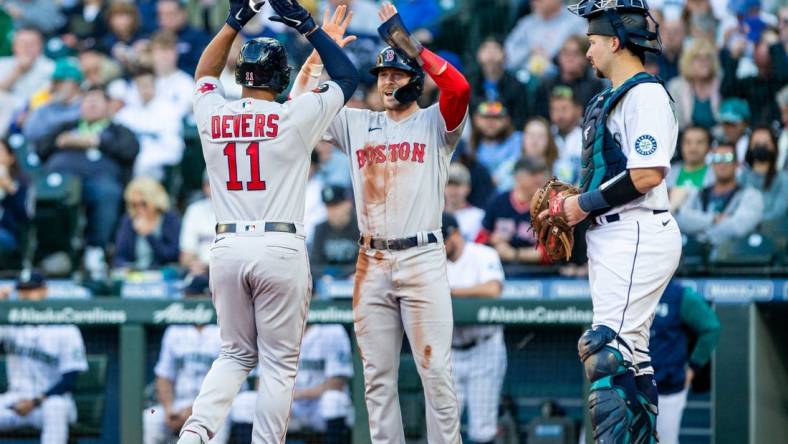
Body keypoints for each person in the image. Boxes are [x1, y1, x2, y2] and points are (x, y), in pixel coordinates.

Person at [176, 0, 359, 441]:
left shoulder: (213, 113)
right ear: (278, 79)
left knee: (235, 354)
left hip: (225, 248)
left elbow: (204, 74)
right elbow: (349, 77)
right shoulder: (290, 117)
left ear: (240, 77)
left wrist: (234, 21)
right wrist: (309, 28)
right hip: (279, 246)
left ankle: (195, 434)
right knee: (278, 363)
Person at [289, 2, 470, 442]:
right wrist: (319, 51)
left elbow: (460, 89)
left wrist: (412, 47)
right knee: (376, 379)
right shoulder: (357, 123)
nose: (386, 81)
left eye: (396, 73)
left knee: (436, 374)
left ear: (414, 80)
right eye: (382, 75)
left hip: (422, 257)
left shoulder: (435, 124)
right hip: (371, 259)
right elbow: (297, 107)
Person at [555, 1, 683, 441]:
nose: (587, 53)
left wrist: (582, 204)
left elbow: (647, 175)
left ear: (614, 41)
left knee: (605, 348)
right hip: (618, 234)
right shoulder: (614, 96)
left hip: (637, 228)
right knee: (631, 356)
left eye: (592, 42)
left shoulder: (644, 94)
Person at [36, 86, 139, 279]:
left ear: (108, 106)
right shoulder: (66, 127)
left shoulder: (117, 130)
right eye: (87, 100)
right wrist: (62, 141)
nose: (91, 104)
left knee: (107, 193)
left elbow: (130, 150)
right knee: (49, 195)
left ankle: (95, 250)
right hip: (63, 181)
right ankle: (56, 251)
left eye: (97, 100)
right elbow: (41, 148)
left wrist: (97, 141)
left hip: (99, 181)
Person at [0, 270, 88, 444]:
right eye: (22, 290)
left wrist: (34, 402)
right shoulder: (8, 323)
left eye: (31, 290)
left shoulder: (65, 328)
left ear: (44, 291)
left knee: (55, 408)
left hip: (50, 401)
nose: (25, 296)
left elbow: (69, 380)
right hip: (15, 400)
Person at [229, 324, 354, 443]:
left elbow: (336, 383)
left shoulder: (333, 331)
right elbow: (261, 383)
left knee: (334, 400)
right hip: (288, 406)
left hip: (318, 407)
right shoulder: (273, 329)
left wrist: (293, 396)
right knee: (244, 402)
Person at [443, 212, 507, 444]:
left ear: (456, 234)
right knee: (444, 429)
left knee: (482, 431)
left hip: (484, 348)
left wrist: (450, 293)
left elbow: (493, 290)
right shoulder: (432, 261)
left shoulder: (482, 254)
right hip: (450, 352)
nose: (441, 246)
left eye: (444, 239)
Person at [650, 279, 720, 444]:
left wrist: (693, 367)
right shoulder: (633, 290)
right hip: (631, 386)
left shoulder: (679, 294)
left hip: (667, 386)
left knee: (664, 441)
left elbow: (711, 328)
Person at [145, 321, 227, 444]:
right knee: (150, 419)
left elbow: (224, 384)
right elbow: (164, 376)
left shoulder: (225, 327)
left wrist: (193, 410)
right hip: (178, 404)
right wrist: (169, 410)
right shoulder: (174, 330)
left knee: (218, 422)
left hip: (215, 404)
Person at [676, 142, 764, 247]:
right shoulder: (698, 192)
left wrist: (701, 234)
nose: (722, 163)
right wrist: (713, 219)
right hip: (698, 256)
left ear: (737, 164)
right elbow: (681, 219)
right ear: (712, 164)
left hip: (733, 256)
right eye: (717, 158)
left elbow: (738, 227)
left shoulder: (751, 195)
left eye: (727, 158)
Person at [115, 68, 184, 180]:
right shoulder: (126, 112)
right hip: (130, 160)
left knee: (143, 163)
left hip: (159, 161)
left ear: (155, 85)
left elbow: (174, 148)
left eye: (148, 85)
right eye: (141, 85)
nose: (144, 89)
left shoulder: (169, 110)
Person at [476, 157, 545, 265]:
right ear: (518, 177)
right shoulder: (498, 201)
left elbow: (549, 253)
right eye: (533, 174)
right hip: (499, 268)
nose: (539, 179)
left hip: (537, 273)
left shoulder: (547, 206)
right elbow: (479, 241)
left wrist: (514, 254)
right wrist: (492, 240)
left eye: (541, 174)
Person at [113, 177, 181, 270]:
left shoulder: (170, 219)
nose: (139, 209)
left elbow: (172, 256)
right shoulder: (129, 220)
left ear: (156, 201)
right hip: (135, 276)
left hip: (162, 276)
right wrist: (130, 268)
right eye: (134, 204)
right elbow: (119, 257)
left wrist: (149, 235)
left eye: (143, 204)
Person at [504, 0, 586, 77]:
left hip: (561, 81)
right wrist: (530, 50)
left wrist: (552, 60)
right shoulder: (527, 23)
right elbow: (508, 57)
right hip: (523, 79)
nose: (535, 1)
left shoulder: (576, 22)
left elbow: (584, 58)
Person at [534, 35, 606, 118]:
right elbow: (539, 118)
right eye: (565, 53)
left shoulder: (595, 86)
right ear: (559, 57)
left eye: (575, 54)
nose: (569, 58)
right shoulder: (546, 85)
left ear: (586, 58)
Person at [468, 37, 530, 128]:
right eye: (486, 48)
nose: (490, 53)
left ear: (505, 55)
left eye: (495, 48)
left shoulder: (516, 85)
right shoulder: (469, 83)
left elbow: (520, 118)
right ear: (478, 55)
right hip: (475, 133)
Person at [22, 58, 83, 150]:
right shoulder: (46, 107)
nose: (54, 87)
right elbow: (30, 132)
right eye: (54, 82)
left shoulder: (85, 105)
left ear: (74, 83)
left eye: (60, 82)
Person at [666, 38, 722, 130]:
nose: (704, 62)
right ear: (688, 62)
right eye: (698, 58)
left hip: (716, 141)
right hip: (686, 140)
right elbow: (675, 124)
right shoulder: (676, 87)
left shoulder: (721, 85)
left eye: (708, 57)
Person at [310, 185, 360, 278]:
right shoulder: (320, 228)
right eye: (329, 206)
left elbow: (366, 262)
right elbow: (314, 264)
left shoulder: (360, 227)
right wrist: (326, 274)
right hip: (328, 283)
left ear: (348, 203)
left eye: (337, 205)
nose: (333, 211)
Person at [740, 127, 787, 223]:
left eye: (765, 144)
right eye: (756, 144)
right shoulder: (741, 177)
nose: (761, 147)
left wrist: (747, 222)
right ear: (749, 147)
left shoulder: (784, 179)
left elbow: (778, 213)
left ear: (774, 147)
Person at [179, 173, 215, 296]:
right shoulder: (195, 210)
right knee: (194, 283)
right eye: (210, 184)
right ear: (204, 186)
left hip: (229, 274)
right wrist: (196, 265)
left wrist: (210, 268)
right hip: (201, 274)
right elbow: (186, 256)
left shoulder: (238, 211)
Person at [470, 101, 521, 186]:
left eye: (496, 117)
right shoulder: (468, 146)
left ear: (507, 120)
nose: (490, 122)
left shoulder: (518, 140)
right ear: (475, 119)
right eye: (485, 117)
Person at [157, 0, 211, 76]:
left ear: (183, 13)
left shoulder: (199, 37)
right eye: (161, 14)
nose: (166, 18)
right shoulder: (155, 39)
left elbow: (202, 69)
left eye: (170, 14)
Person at [667, 126, 715, 210]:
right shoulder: (668, 172)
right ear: (680, 145)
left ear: (709, 147)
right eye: (688, 142)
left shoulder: (716, 174)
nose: (693, 147)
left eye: (699, 142)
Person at [0, 139, 29, 267]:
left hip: (8, 234)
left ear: (11, 158)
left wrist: (11, 190)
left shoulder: (21, 183)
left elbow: (24, 216)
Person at [549, 87, 583, 184]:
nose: (559, 115)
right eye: (554, 110)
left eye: (564, 109)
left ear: (578, 110)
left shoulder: (587, 135)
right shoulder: (547, 136)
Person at [444, 162, 484, 242]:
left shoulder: (479, 216)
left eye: (457, 185)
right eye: (449, 184)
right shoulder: (433, 215)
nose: (453, 189)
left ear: (468, 188)